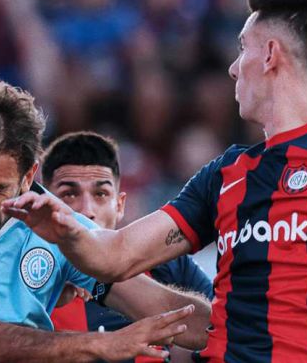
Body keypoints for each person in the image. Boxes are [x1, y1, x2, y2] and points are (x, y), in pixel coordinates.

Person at [5, 0, 307, 363]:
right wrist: (61, 226)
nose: (231, 66)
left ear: (270, 55)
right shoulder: (225, 174)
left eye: (241, 49)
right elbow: (115, 255)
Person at [0, 78, 212, 362]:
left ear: (28, 177)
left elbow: (164, 308)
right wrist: (99, 344)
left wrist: (260, 338)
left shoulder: (57, 226)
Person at [43, 131, 213, 363]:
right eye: (69, 194)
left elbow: (223, 330)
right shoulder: (27, 269)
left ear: (120, 205)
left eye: (100, 193)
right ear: (46, 201)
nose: (86, 210)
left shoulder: (163, 263)